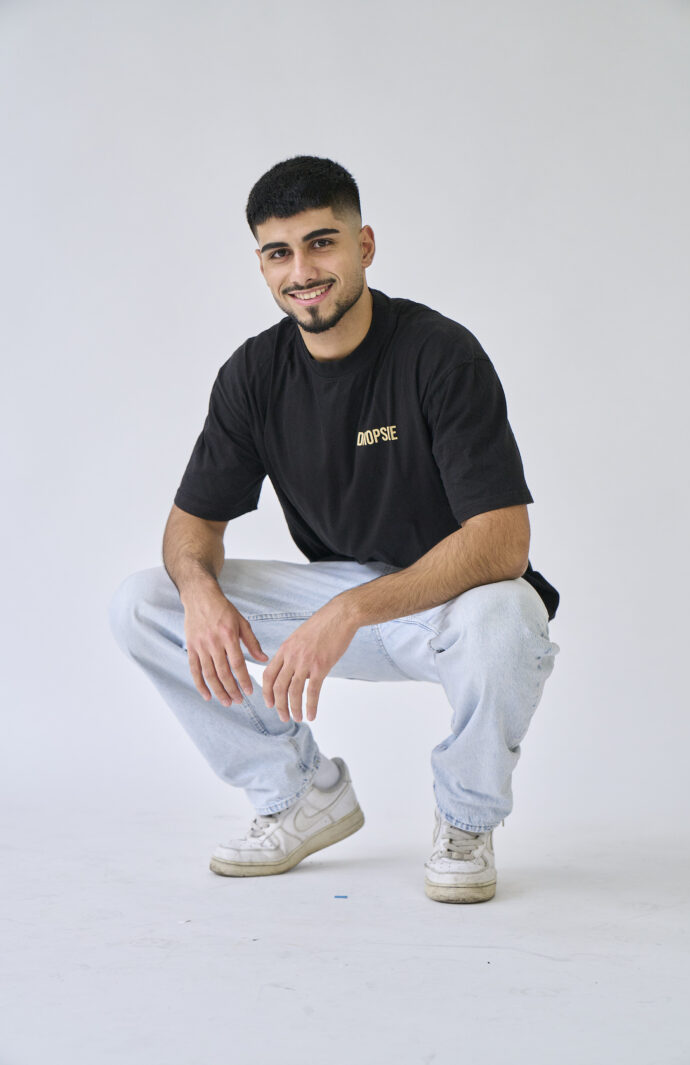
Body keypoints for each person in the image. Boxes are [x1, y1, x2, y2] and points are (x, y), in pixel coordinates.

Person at [110, 155, 560, 904]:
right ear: (261, 264)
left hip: (448, 605)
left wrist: (350, 610)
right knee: (145, 601)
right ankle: (298, 794)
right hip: (338, 602)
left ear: (364, 245)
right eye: (278, 253)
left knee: (510, 612)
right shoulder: (254, 375)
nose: (302, 272)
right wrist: (200, 590)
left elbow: (503, 541)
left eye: (321, 243)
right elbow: (190, 528)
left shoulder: (439, 353)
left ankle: (465, 821)